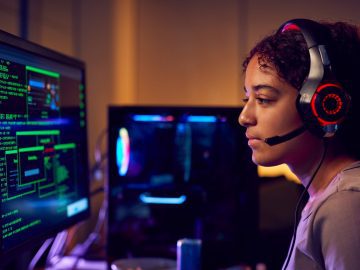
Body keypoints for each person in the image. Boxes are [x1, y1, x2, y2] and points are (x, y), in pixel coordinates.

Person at [238, 18, 360, 269]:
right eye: (247, 98)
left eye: (263, 99)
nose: (244, 117)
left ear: (321, 105)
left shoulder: (345, 205)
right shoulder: (327, 196)